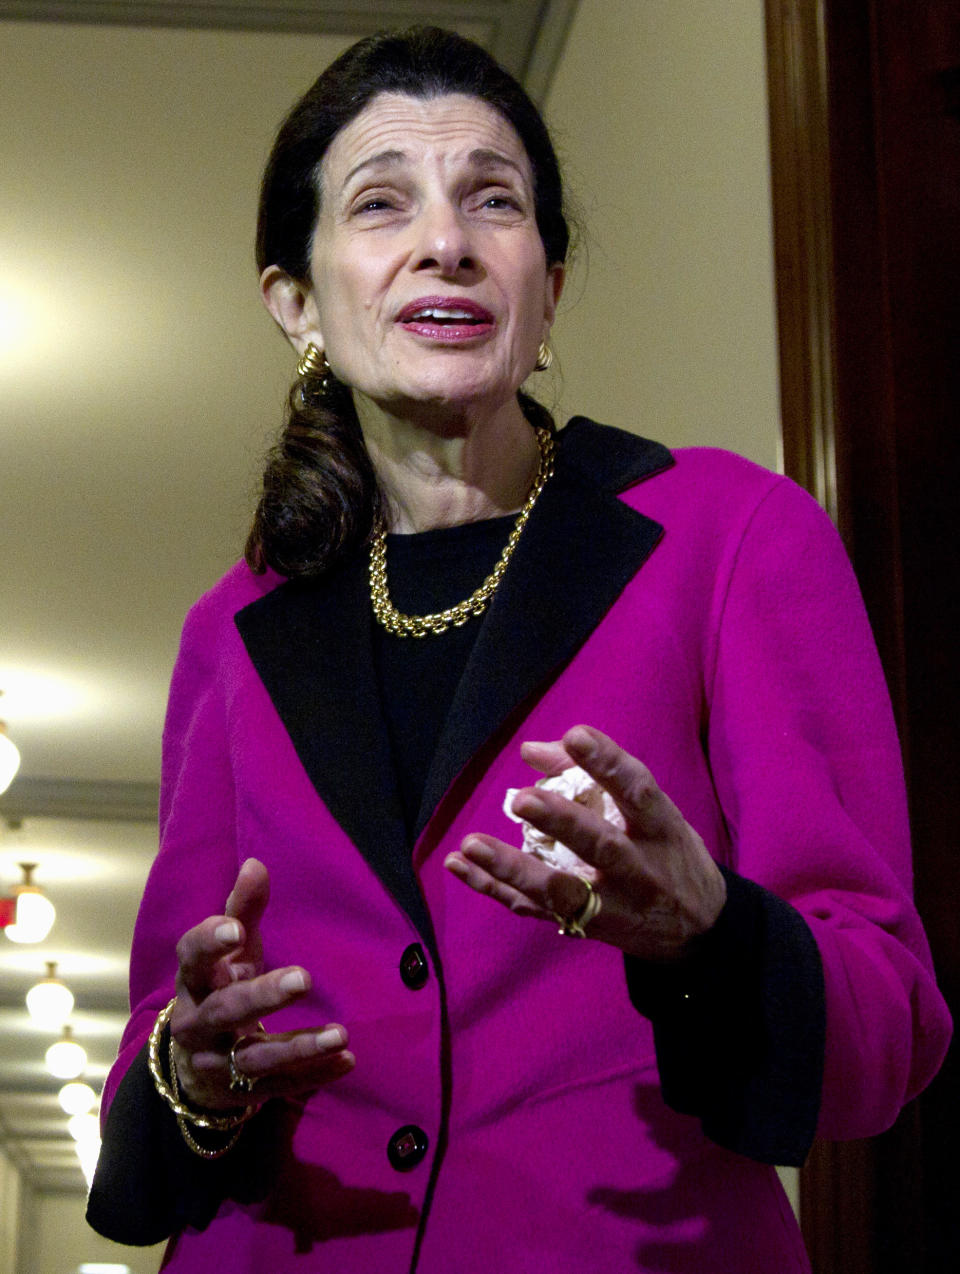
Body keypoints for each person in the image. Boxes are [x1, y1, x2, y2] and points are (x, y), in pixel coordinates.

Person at [87, 26, 951, 1273]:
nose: (448, 239)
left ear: (544, 286)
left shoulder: (730, 537)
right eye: (383, 203)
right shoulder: (230, 629)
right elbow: (158, 1038)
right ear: (297, 304)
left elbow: (885, 1021)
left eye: (495, 200)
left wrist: (719, 938)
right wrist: (191, 1066)